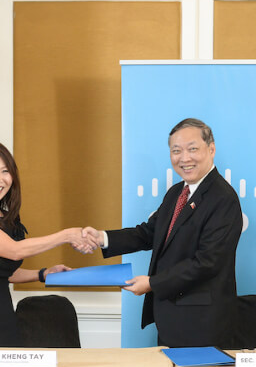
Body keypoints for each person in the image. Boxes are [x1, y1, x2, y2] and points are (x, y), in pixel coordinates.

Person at [83, 118, 243, 347]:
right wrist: (102, 238)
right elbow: (149, 233)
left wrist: (152, 283)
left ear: (211, 149)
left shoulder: (223, 198)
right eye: (176, 151)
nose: (184, 158)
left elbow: (208, 262)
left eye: (192, 149)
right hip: (171, 317)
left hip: (202, 324)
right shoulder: (177, 193)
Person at [0, 141, 94, 347]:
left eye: (5, 171)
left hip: (4, 316)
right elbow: (14, 251)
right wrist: (67, 235)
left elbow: (3, 271)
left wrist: (43, 274)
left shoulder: (8, 219)